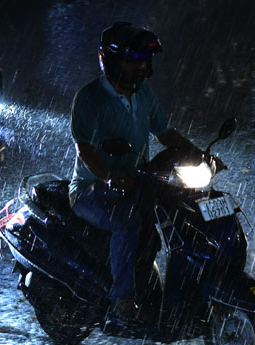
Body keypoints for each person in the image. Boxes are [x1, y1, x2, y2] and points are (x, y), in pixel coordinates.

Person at [69, 21, 199, 324]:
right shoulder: (89, 99)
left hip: (137, 181)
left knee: (176, 211)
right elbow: (85, 150)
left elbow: (165, 133)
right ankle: (122, 302)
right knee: (128, 223)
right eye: (133, 61)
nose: (141, 68)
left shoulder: (144, 95)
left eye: (144, 61)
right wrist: (110, 177)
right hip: (91, 189)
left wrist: (200, 154)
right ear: (113, 61)